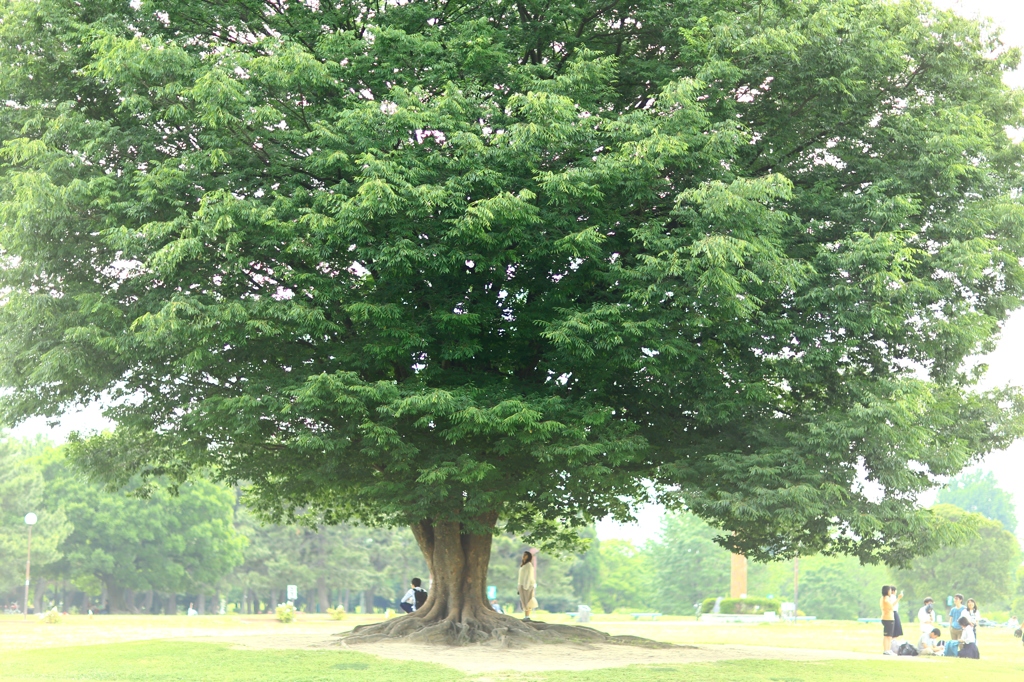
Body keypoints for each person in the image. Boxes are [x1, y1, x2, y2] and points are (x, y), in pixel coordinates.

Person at [518, 551, 538, 622]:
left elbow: (529, 576)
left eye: (526, 555)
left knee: (528, 601)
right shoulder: (523, 565)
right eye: (523, 555)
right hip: (522, 584)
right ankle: (526, 615)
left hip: (527, 585)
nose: (524, 557)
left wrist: (526, 586)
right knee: (523, 600)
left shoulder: (529, 565)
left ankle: (527, 616)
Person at [881, 586, 896, 655]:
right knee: (889, 636)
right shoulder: (886, 598)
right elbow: (891, 606)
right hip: (888, 618)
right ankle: (887, 650)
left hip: (885, 618)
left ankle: (887, 649)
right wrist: (898, 598)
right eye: (890, 590)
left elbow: (891, 606)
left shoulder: (882, 598)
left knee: (887, 635)